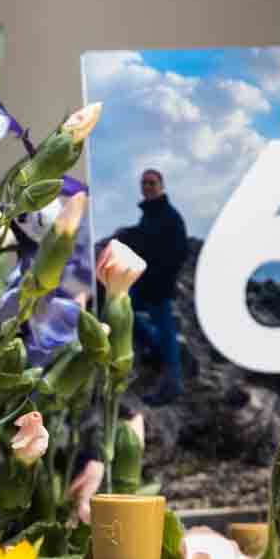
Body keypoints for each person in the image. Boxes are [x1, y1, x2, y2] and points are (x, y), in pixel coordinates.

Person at [116, 167, 188, 404]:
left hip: (159, 286)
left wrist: (164, 278)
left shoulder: (169, 215)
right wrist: (124, 233)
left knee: (166, 334)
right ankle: (156, 348)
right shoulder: (150, 215)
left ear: (161, 186)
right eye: (144, 183)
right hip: (144, 283)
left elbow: (180, 251)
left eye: (152, 183)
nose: (147, 187)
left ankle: (173, 384)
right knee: (124, 314)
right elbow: (144, 238)